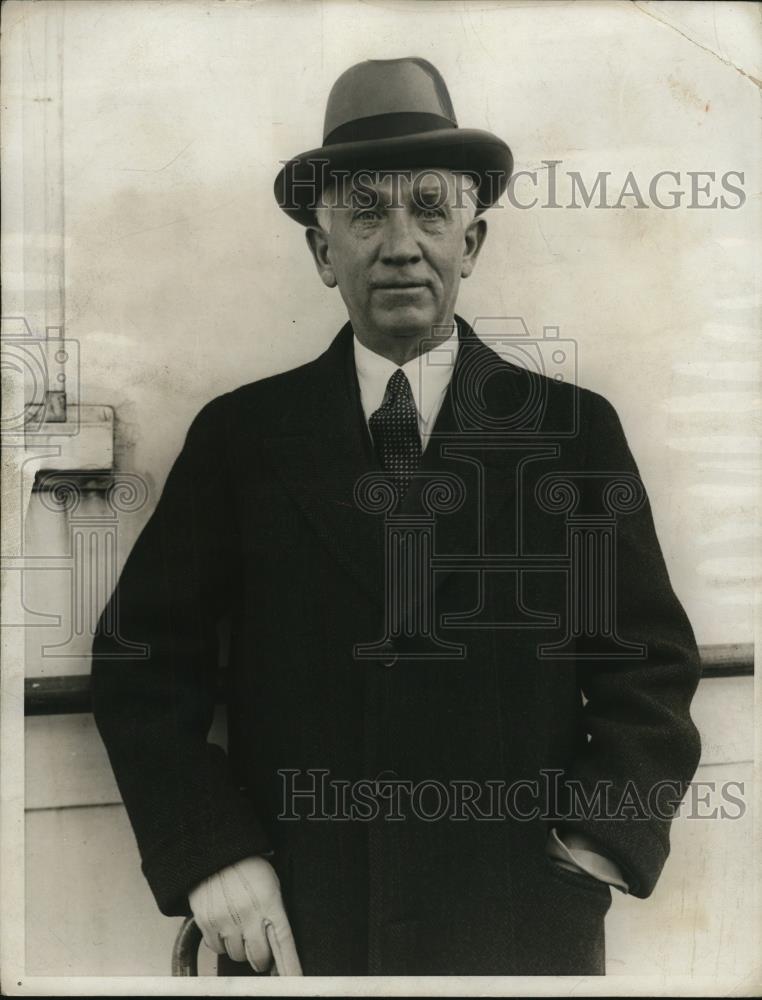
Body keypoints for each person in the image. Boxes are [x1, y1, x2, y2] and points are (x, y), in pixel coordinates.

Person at [91, 57, 702, 977]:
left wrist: (593, 848)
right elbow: (140, 662)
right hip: (306, 926)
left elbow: (650, 667)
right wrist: (211, 853)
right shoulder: (241, 438)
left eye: (429, 209)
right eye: (366, 213)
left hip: (516, 929)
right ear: (321, 251)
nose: (402, 244)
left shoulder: (574, 435)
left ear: (473, 241)